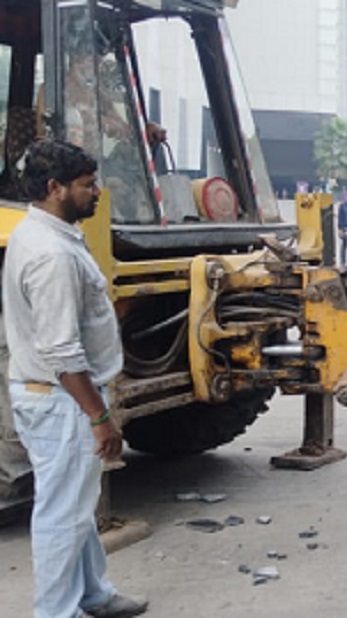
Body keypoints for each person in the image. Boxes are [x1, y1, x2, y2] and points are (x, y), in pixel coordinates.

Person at [2, 139, 148, 618]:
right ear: (54, 188)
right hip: (61, 401)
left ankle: (94, 594)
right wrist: (100, 416)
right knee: (62, 516)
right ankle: (56, 613)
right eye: (87, 185)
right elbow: (62, 352)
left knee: (75, 506)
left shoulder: (48, 233)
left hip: (55, 396)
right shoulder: (52, 256)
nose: (97, 192)